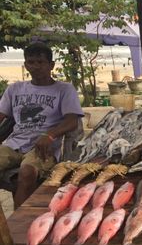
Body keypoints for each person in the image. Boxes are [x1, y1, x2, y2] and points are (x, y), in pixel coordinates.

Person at [0, 42, 84, 207]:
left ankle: (18, 225)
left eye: (41, 62)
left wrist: (50, 135)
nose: (36, 67)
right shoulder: (15, 89)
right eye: (31, 62)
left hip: (44, 148)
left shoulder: (64, 90)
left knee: (27, 172)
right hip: (14, 144)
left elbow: (72, 120)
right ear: (26, 65)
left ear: (51, 65)